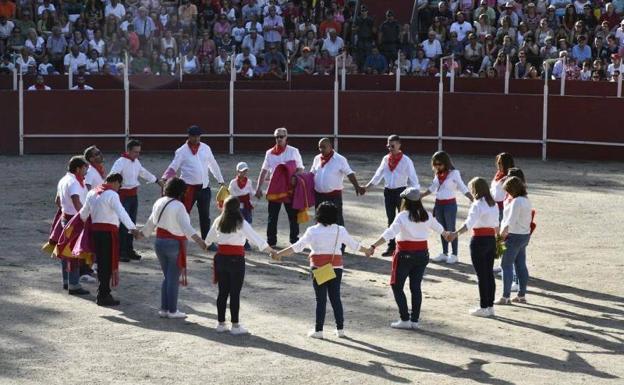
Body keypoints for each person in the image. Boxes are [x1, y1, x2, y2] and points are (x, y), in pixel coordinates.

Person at [272, 202, 371, 338]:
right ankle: (340, 329)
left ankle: (319, 330)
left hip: (318, 268)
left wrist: (279, 254)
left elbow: (297, 247)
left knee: (321, 299)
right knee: (335, 298)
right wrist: (367, 251)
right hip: (336, 267)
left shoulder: (312, 231)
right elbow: (354, 245)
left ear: (318, 214)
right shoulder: (339, 230)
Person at [367, 188, 451, 329]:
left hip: (405, 255)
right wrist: (448, 234)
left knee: (397, 286)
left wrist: (373, 246)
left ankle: (405, 319)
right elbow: (442, 230)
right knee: (415, 287)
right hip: (422, 254)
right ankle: (415, 321)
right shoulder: (427, 215)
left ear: (405, 201)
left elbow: (389, 233)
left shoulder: (402, 216)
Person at [206, 196, 275, 335]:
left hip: (221, 259)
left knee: (222, 292)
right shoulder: (241, 223)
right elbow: (257, 240)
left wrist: (204, 244)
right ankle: (235, 326)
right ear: (238, 208)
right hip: (236, 260)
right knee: (235, 293)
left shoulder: (218, 220)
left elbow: (208, 240)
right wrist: (272, 251)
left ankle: (220, 323)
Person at [142, 177, 208, 319]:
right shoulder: (179, 206)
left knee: (167, 277)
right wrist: (200, 242)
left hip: (159, 242)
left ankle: (164, 309)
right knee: (172, 279)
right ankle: (172, 310)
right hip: (174, 244)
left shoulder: (159, 202)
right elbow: (187, 228)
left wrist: (141, 234)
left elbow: (150, 223)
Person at [79, 173, 142, 306]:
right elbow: (122, 212)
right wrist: (133, 229)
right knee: (106, 264)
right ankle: (103, 294)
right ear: (116, 182)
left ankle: (103, 292)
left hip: (96, 233)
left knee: (101, 263)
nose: (119, 188)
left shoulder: (92, 193)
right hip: (108, 234)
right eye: (119, 185)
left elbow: (84, 213)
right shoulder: (112, 194)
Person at [162, 125, 225, 246]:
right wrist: (165, 177)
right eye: (194, 136)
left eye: (198, 136)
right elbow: (174, 166)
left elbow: (213, 164)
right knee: (183, 214)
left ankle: (206, 241)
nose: (197, 139)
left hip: (204, 187)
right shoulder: (182, 151)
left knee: (205, 216)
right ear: (189, 136)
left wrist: (220, 180)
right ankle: (177, 237)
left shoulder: (205, 148)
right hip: (187, 189)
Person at [450, 178, 499, 317]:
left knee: (481, 275)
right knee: (489, 274)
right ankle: (490, 306)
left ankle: (484, 306)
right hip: (491, 239)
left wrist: (455, 234)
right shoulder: (493, 203)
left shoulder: (477, 204)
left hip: (479, 240)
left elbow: (468, 223)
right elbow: (496, 225)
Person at [365, 135, 420, 256]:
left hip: (402, 192)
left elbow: (413, 178)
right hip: (388, 191)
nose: (390, 148)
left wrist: (416, 194)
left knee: (404, 219)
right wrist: (367, 187)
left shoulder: (406, 160)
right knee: (391, 219)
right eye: (388, 145)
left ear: (399, 145)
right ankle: (391, 247)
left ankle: (405, 245)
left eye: (392, 145)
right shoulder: (385, 159)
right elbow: (378, 175)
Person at [110, 139, 163, 262]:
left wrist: (156, 180)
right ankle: (121, 251)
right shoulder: (120, 162)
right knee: (124, 224)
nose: (137, 155)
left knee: (131, 223)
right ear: (128, 151)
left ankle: (129, 249)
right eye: (135, 152)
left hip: (133, 195)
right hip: (123, 195)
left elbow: (143, 172)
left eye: (139, 152)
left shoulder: (136, 162)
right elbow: (112, 176)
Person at [255, 127, 304, 247]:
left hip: (289, 189)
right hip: (275, 189)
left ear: (286, 137)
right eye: (277, 137)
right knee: (272, 217)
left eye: (281, 136)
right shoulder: (269, 153)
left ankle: (294, 241)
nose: (279, 139)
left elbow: (301, 169)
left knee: (293, 216)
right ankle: (271, 241)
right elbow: (264, 171)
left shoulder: (293, 151)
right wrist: (258, 187)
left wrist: (294, 177)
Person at [421, 151, 473, 264]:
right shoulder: (438, 174)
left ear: (446, 162)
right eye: (435, 164)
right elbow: (432, 187)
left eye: (440, 164)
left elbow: (462, 187)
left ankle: (454, 254)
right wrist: (421, 195)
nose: (437, 167)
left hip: (450, 205)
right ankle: (444, 253)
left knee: (451, 228)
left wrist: (472, 198)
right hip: (439, 204)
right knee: (442, 229)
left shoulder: (454, 173)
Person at [310, 138, 365, 238]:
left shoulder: (340, 159)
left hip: (334, 196)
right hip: (319, 195)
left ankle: (341, 245)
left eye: (324, 147)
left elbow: (349, 173)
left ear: (331, 147)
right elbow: (312, 174)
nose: (321, 149)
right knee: (319, 220)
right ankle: (321, 242)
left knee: (337, 220)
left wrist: (357, 186)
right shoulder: (317, 158)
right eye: (319, 147)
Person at [55, 156, 90, 294]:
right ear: (78, 169)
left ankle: (66, 281)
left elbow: (57, 200)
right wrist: (84, 216)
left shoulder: (64, 180)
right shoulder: (75, 182)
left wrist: (65, 210)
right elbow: (76, 201)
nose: (86, 170)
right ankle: (74, 284)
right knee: (74, 252)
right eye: (84, 167)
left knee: (65, 251)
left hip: (66, 217)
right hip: (75, 219)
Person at [497, 176, 533, 305]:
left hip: (513, 236)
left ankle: (505, 296)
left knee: (505, 265)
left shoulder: (516, 201)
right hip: (524, 235)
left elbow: (510, 222)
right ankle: (521, 295)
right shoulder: (526, 200)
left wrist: (500, 237)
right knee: (520, 265)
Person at [228, 162, 255, 250]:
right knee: (238, 223)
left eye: (245, 171)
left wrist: (258, 193)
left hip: (247, 206)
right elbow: (231, 193)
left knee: (248, 223)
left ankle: (246, 242)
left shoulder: (249, 182)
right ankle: (237, 241)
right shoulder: (233, 182)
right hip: (238, 206)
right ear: (237, 171)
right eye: (242, 171)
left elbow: (251, 192)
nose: (244, 173)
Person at [490, 152, 515, 220]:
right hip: (493, 206)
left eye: (500, 163)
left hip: (503, 207)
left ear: (506, 164)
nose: (498, 165)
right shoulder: (498, 174)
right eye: (497, 163)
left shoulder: (510, 177)